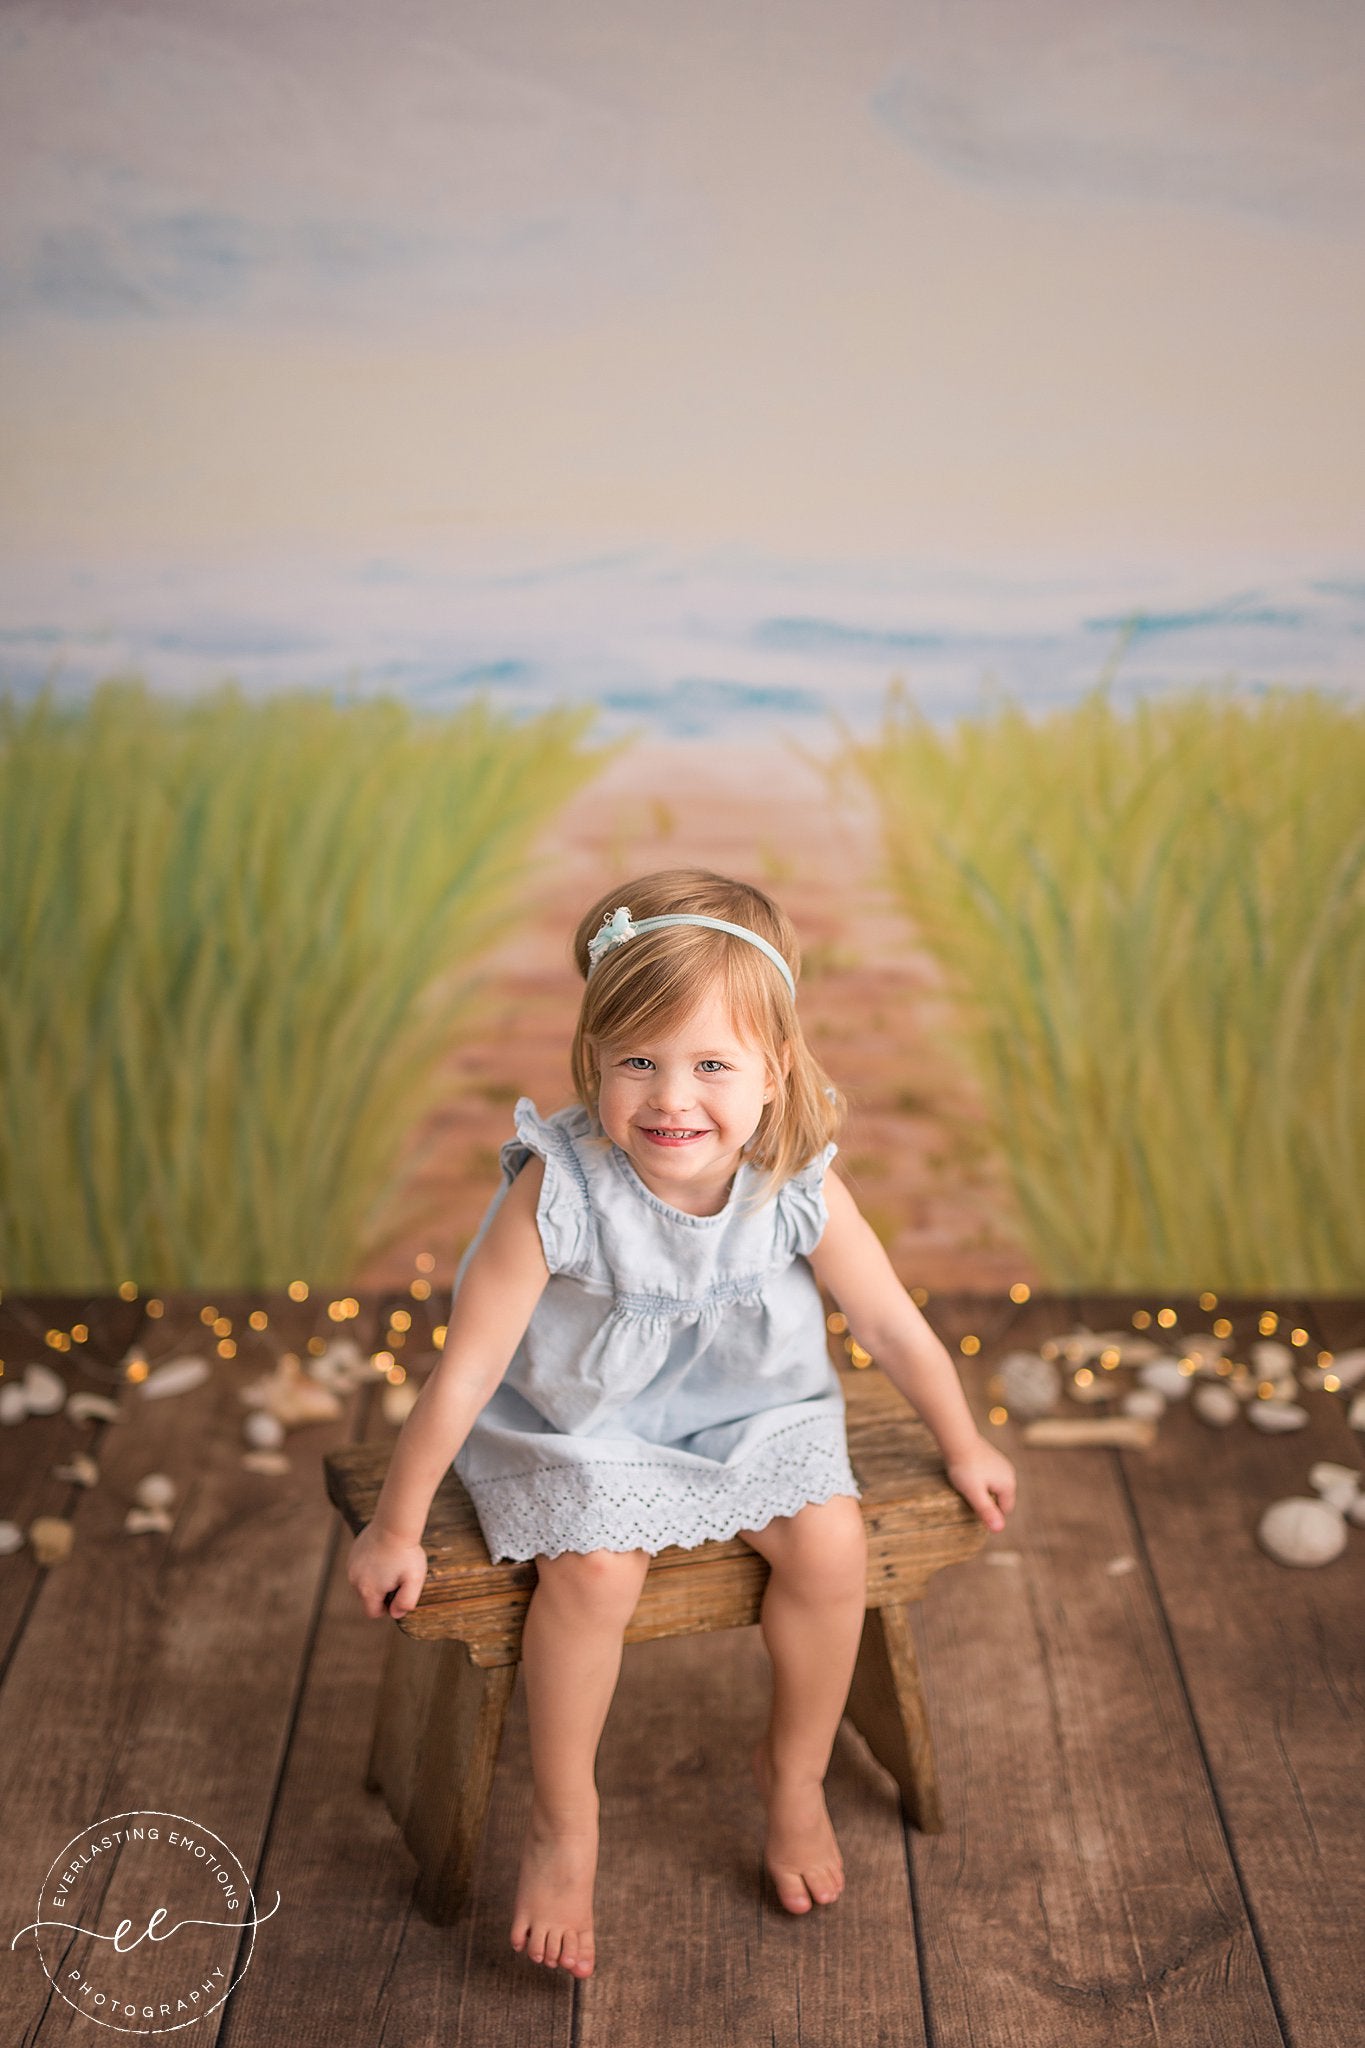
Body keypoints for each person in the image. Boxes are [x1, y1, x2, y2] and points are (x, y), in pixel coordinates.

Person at [347, 867, 1015, 1978]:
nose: (673, 1098)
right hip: (585, 1425)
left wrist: (965, 1440)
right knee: (598, 1569)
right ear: (593, 1061)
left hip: (754, 1416)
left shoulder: (795, 1178)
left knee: (831, 1541)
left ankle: (792, 1772)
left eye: (712, 1064)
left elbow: (893, 1325)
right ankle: (567, 1819)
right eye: (638, 1062)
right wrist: (397, 1524)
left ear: (775, 1070)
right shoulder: (558, 1188)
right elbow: (466, 1369)